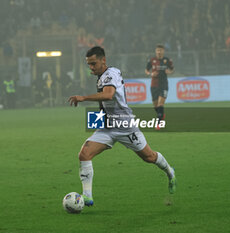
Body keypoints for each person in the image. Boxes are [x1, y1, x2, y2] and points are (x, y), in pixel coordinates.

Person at [68, 46, 176, 207]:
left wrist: (83, 98)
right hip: (107, 126)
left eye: (94, 63)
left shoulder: (110, 74)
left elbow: (108, 94)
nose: (91, 67)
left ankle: (169, 171)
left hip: (125, 125)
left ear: (103, 60)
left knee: (149, 157)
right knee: (84, 154)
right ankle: (87, 196)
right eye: (89, 64)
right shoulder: (105, 74)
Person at [145, 44, 174, 129]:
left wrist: (170, 71)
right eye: (157, 50)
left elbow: (172, 69)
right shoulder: (152, 60)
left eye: (160, 50)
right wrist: (151, 74)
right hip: (154, 84)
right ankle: (161, 115)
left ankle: (158, 123)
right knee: (155, 105)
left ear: (163, 51)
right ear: (155, 51)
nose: (159, 52)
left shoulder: (167, 60)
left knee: (160, 103)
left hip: (163, 84)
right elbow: (146, 70)